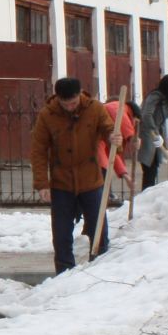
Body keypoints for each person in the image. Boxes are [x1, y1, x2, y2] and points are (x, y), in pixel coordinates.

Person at [30, 77, 125, 272]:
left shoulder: (95, 109)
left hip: (91, 180)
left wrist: (114, 138)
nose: (70, 108)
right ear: (58, 99)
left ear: (80, 94)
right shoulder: (48, 115)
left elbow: (109, 129)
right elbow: (38, 150)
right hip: (61, 183)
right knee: (61, 232)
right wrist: (42, 184)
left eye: (73, 103)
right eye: (65, 104)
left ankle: (100, 269)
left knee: (98, 228)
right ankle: (64, 272)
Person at [138, 73, 168, 189]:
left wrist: (160, 137)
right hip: (149, 134)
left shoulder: (166, 99)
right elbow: (146, 115)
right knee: (149, 167)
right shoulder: (155, 97)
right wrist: (155, 133)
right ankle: (146, 195)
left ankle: (150, 192)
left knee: (154, 167)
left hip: (156, 135)